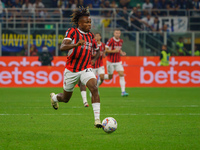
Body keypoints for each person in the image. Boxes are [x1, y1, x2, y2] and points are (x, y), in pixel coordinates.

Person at [50, 7, 102, 128]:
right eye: (86, 22)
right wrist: (76, 44)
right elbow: (62, 47)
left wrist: (94, 59)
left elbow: (96, 49)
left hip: (86, 68)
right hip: (71, 70)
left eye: (90, 22)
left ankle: (97, 120)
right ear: (79, 23)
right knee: (65, 98)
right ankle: (54, 98)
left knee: (94, 88)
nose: (89, 24)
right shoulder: (72, 32)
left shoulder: (90, 35)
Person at [104, 29, 129, 97]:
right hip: (110, 62)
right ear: (114, 33)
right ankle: (101, 77)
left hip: (118, 61)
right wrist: (114, 51)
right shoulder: (110, 40)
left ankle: (123, 91)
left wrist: (121, 52)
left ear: (120, 34)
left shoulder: (121, 41)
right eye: (116, 33)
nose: (117, 34)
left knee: (121, 74)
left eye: (119, 33)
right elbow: (105, 50)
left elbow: (119, 49)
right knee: (110, 77)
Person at [79, 34, 99, 108]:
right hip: (77, 65)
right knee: (66, 97)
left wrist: (94, 59)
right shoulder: (78, 39)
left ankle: (85, 101)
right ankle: (85, 101)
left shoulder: (92, 40)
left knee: (89, 83)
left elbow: (98, 51)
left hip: (87, 65)